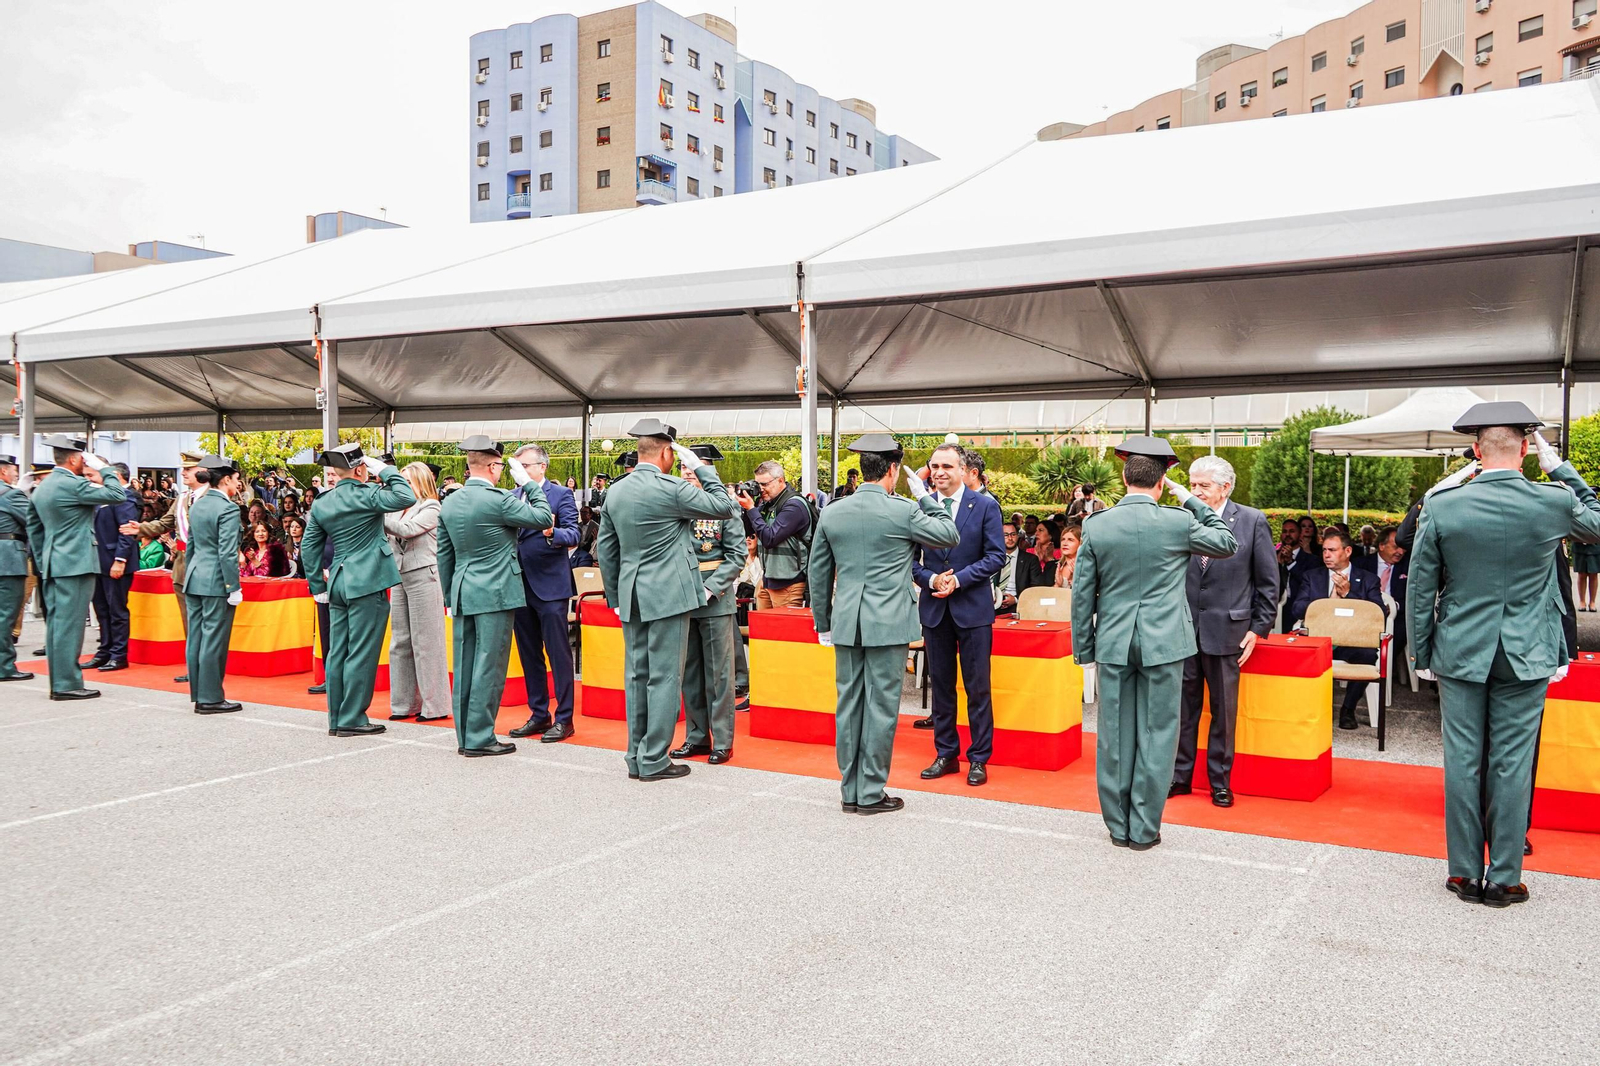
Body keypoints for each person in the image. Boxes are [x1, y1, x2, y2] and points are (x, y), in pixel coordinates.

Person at [1409, 404, 1600, 907]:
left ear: (1475, 451)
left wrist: (1423, 651)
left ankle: (1463, 873)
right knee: (1513, 764)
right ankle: (1504, 878)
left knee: (1463, 761)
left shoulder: (1443, 505)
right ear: (1523, 450)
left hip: (1460, 648)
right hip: (1528, 650)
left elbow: (1421, 587)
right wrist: (1561, 469)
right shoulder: (1552, 501)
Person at [1071, 436, 1236, 850]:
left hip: (1113, 640)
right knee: (1160, 732)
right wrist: (1195, 502)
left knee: (1114, 734)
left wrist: (1084, 648)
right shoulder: (1178, 520)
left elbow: (1082, 593)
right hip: (1165, 641)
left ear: (1124, 479)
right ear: (1162, 483)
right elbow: (1227, 543)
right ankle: (1145, 828)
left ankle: (1118, 826)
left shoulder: (1097, 524)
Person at [810, 435, 959, 815]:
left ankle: (850, 790)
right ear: (892, 470)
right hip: (888, 622)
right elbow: (949, 535)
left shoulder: (833, 511)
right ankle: (871, 791)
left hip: (846, 622)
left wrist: (823, 624)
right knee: (880, 708)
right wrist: (926, 496)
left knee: (848, 706)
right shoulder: (904, 510)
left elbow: (819, 573)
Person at [596, 420, 737, 780]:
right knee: (664, 678)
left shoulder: (617, 491)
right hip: (669, 595)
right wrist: (704, 469)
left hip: (631, 596)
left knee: (637, 676)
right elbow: (723, 506)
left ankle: (636, 755)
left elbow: (608, 550)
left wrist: (614, 595)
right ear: (666, 452)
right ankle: (655, 759)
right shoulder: (672, 488)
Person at [1169, 456, 1279, 807]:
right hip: (1184, 631)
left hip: (1229, 631)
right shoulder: (1180, 519)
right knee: (1182, 710)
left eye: (1203, 485)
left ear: (1225, 487)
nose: (1195, 491)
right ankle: (1179, 776)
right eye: (1192, 484)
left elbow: (1267, 582)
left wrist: (1259, 628)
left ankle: (1219, 782)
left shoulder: (1250, 520)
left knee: (1224, 712)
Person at [436, 438, 553, 756]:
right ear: (491, 466)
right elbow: (544, 517)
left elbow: (444, 554)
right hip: (496, 592)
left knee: (464, 666)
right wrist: (528, 483)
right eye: (500, 466)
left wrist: (449, 595)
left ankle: (465, 736)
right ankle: (479, 737)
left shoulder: (451, 502)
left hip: (463, 591)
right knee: (489, 666)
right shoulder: (499, 499)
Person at [301, 443, 416, 738]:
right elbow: (406, 496)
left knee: (338, 651)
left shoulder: (323, 502)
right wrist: (386, 469)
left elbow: (309, 547)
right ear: (361, 468)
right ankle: (353, 717)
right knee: (362, 652)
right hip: (368, 581)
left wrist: (317, 585)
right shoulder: (368, 494)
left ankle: (337, 716)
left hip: (337, 582)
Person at [907, 443, 1006, 786]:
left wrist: (959, 580)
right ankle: (946, 753)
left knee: (978, 688)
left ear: (963, 470)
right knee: (942, 688)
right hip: (935, 608)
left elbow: (997, 556)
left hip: (973, 609)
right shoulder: (922, 508)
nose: (939, 472)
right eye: (934, 466)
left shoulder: (985, 506)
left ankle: (979, 758)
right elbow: (911, 561)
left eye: (947, 466)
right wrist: (932, 579)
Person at [26, 435, 133, 702]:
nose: (84, 464)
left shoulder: (43, 487)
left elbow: (34, 528)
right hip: (75, 564)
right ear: (74, 459)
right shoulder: (72, 485)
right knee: (70, 626)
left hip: (54, 564)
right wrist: (105, 469)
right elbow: (117, 493)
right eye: (82, 460)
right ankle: (67, 684)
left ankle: (59, 681)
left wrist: (43, 562)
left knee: (57, 625)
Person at [670, 448, 746, 763]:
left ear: (709, 470)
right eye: (684, 467)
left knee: (719, 676)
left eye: (695, 466)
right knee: (690, 674)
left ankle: (722, 741)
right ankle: (697, 737)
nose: (688, 471)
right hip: (683, 598)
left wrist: (711, 588)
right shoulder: (676, 503)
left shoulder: (725, 507)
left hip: (714, 599)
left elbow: (737, 554)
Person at [507, 444, 580, 743]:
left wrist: (552, 533)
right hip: (518, 583)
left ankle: (565, 718)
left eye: (524, 466)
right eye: (517, 466)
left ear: (541, 467)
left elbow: (574, 533)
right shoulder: (511, 497)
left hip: (550, 586)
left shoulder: (560, 495)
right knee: (529, 653)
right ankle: (538, 713)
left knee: (559, 653)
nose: (519, 472)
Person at [1289, 527, 1388, 730]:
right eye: (1324, 550)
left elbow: (1379, 614)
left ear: (1348, 551)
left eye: (1332, 550)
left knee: (1368, 655)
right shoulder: (1312, 576)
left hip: (1352, 642)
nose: (1326, 555)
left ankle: (1348, 709)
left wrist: (1350, 595)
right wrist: (1326, 604)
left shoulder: (1368, 579)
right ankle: (1306, 709)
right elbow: (1297, 609)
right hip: (1318, 641)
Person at [121, 450, 206, 683]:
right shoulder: (181, 499)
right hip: (182, 566)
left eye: (188, 469)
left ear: (202, 471)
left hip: (204, 566)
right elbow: (165, 523)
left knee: (206, 621)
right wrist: (140, 528)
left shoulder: (213, 498)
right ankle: (194, 668)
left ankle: (207, 667)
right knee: (188, 620)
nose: (183, 472)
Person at [383, 461, 451, 723]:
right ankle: (403, 704)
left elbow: (409, 531)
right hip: (399, 575)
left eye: (407, 482)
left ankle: (435, 706)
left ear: (421, 483)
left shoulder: (432, 506)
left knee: (427, 642)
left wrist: (377, 513)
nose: (402, 487)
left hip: (425, 575)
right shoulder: (396, 509)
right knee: (399, 641)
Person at [184, 456, 246, 714]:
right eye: (236, 478)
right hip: (216, 581)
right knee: (213, 640)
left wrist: (191, 572)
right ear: (226, 480)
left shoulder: (197, 504)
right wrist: (234, 586)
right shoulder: (228, 508)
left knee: (196, 638)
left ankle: (200, 693)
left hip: (195, 576)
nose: (238, 483)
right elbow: (227, 553)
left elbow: (191, 546)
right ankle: (210, 698)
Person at [87, 463, 141, 672]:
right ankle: (104, 651)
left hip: (115, 562)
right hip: (98, 561)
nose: (90, 479)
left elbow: (126, 531)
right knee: (101, 609)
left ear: (114, 476)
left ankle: (119, 655)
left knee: (116, 609)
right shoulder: (101, 496)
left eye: (93, 475)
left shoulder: (125, 496)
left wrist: (120, 559)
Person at [739, 459, 812, 610]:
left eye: (764, 484)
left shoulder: (794, 505)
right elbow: (749, 531)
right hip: (768, 579)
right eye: (758, 484)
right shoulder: (769, 504)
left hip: (789, 582)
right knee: (765, 633)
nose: (761, 489)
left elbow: (769, 538)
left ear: (780, 480)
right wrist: (746, 506)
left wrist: (752, 509)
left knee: (784, 631)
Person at [1354, 526, 1409, 685]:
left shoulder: (1409, 566)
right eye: (1395, 546)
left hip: (1396, 617)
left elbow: (1415, 597)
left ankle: (1378, 671)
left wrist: (1395, 606)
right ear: (1381, 546)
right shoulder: (1361, 564)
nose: (1400, 551)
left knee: (1401, 628)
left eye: (1403, 547)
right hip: (1365, 616)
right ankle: (1367, 670)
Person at [0, 455, 34, 682]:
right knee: (6, 615)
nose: (15, 474)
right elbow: (33, 521)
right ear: (3, 472)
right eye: (13, 470)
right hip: (8, 559)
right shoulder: (11, 494)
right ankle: (4, 666)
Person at [1015, 522, 1058, 592]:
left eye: (1040, 530)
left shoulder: (1060, 553)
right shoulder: (1028, 552)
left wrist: (1050, 560)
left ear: (1050, 534)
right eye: (1036, 531)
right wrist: (1036, 560)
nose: (1036, 534)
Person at [994, 519, 1022, 615]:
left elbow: (1034, 587)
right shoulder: (992, 558)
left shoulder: (1030, 560)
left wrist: (1015, 599)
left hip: (1018, 606)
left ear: (1018, 536)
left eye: (1013, 534)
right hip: (993, 604)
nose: (1010, 538)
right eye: (1005, 535)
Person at [1573, 535, 1600, 612]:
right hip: (1579, 543)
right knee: (1581, 574)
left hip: (1596, 543)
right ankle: (1582, 602)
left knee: (1594, 574)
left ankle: (1592, 602)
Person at [1053, 521, 1082, 588]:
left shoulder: (1087, 567)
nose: (1065, 543)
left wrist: (1079, 577)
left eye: (1070, 540)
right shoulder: (1055, 566)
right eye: (1063, 539)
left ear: (1080, 543)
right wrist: (1058, 585)